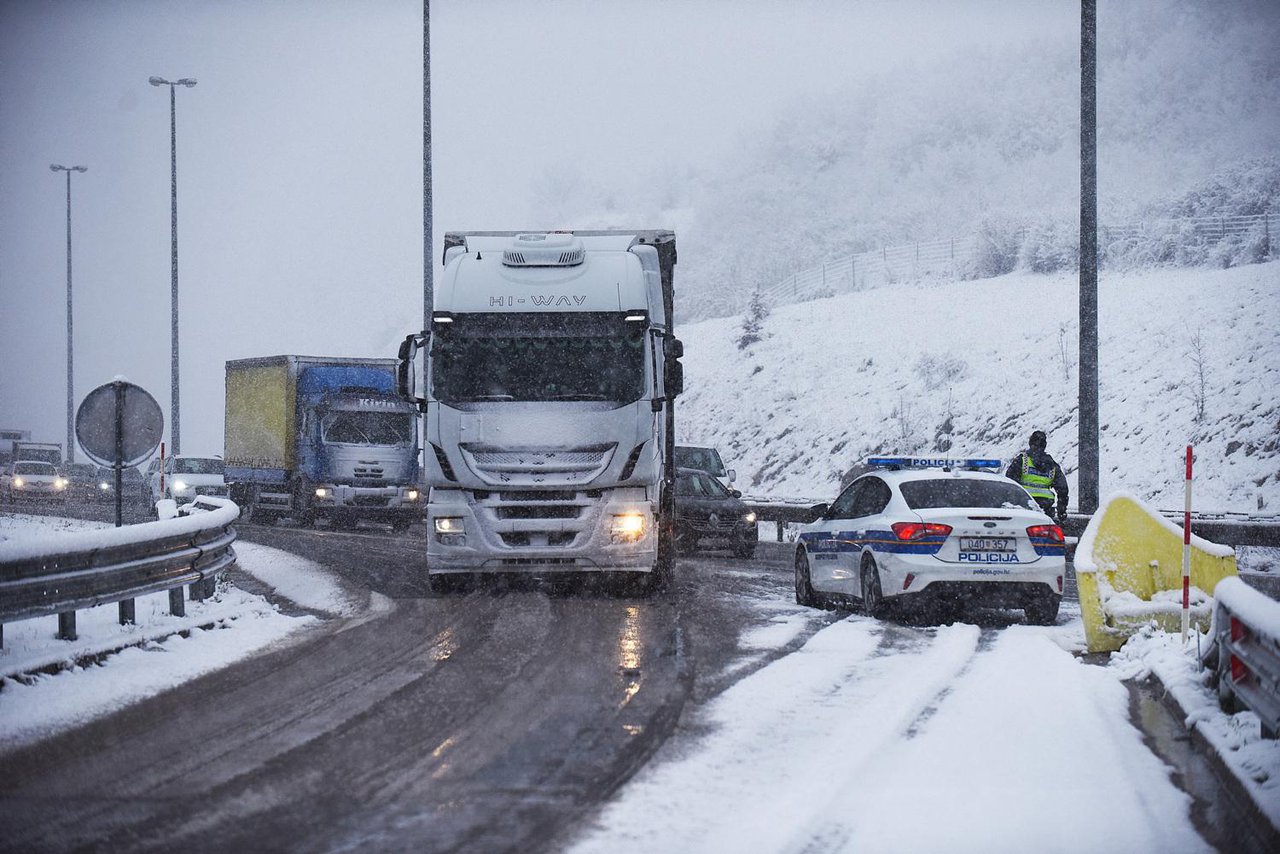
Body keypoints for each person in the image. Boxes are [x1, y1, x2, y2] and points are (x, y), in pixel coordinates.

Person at [1006, 430, 1068, 524]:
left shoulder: (1022, 461)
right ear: (1044, 446)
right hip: (1045, 508)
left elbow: (1009, 484)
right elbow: (1063, 489)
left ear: (1030, 443)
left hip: (1024, 506)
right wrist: (1061, 511)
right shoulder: (1052, 465)